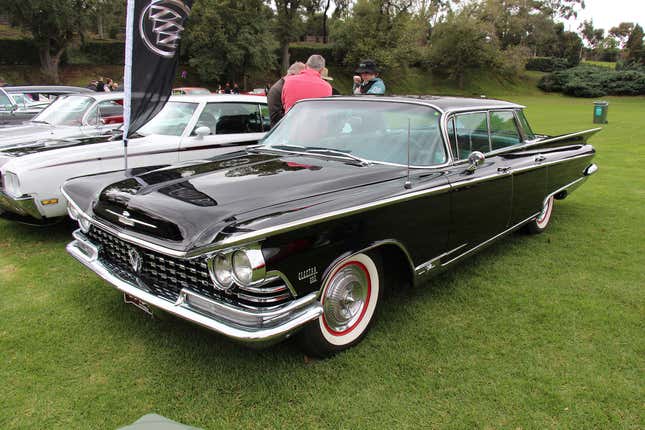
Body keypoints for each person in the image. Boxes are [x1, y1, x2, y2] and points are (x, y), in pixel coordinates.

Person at [267, 61, 306, 126]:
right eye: (301, 77)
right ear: (293, 75)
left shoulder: (286, 87)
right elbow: (275, 118)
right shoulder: (276, 90)